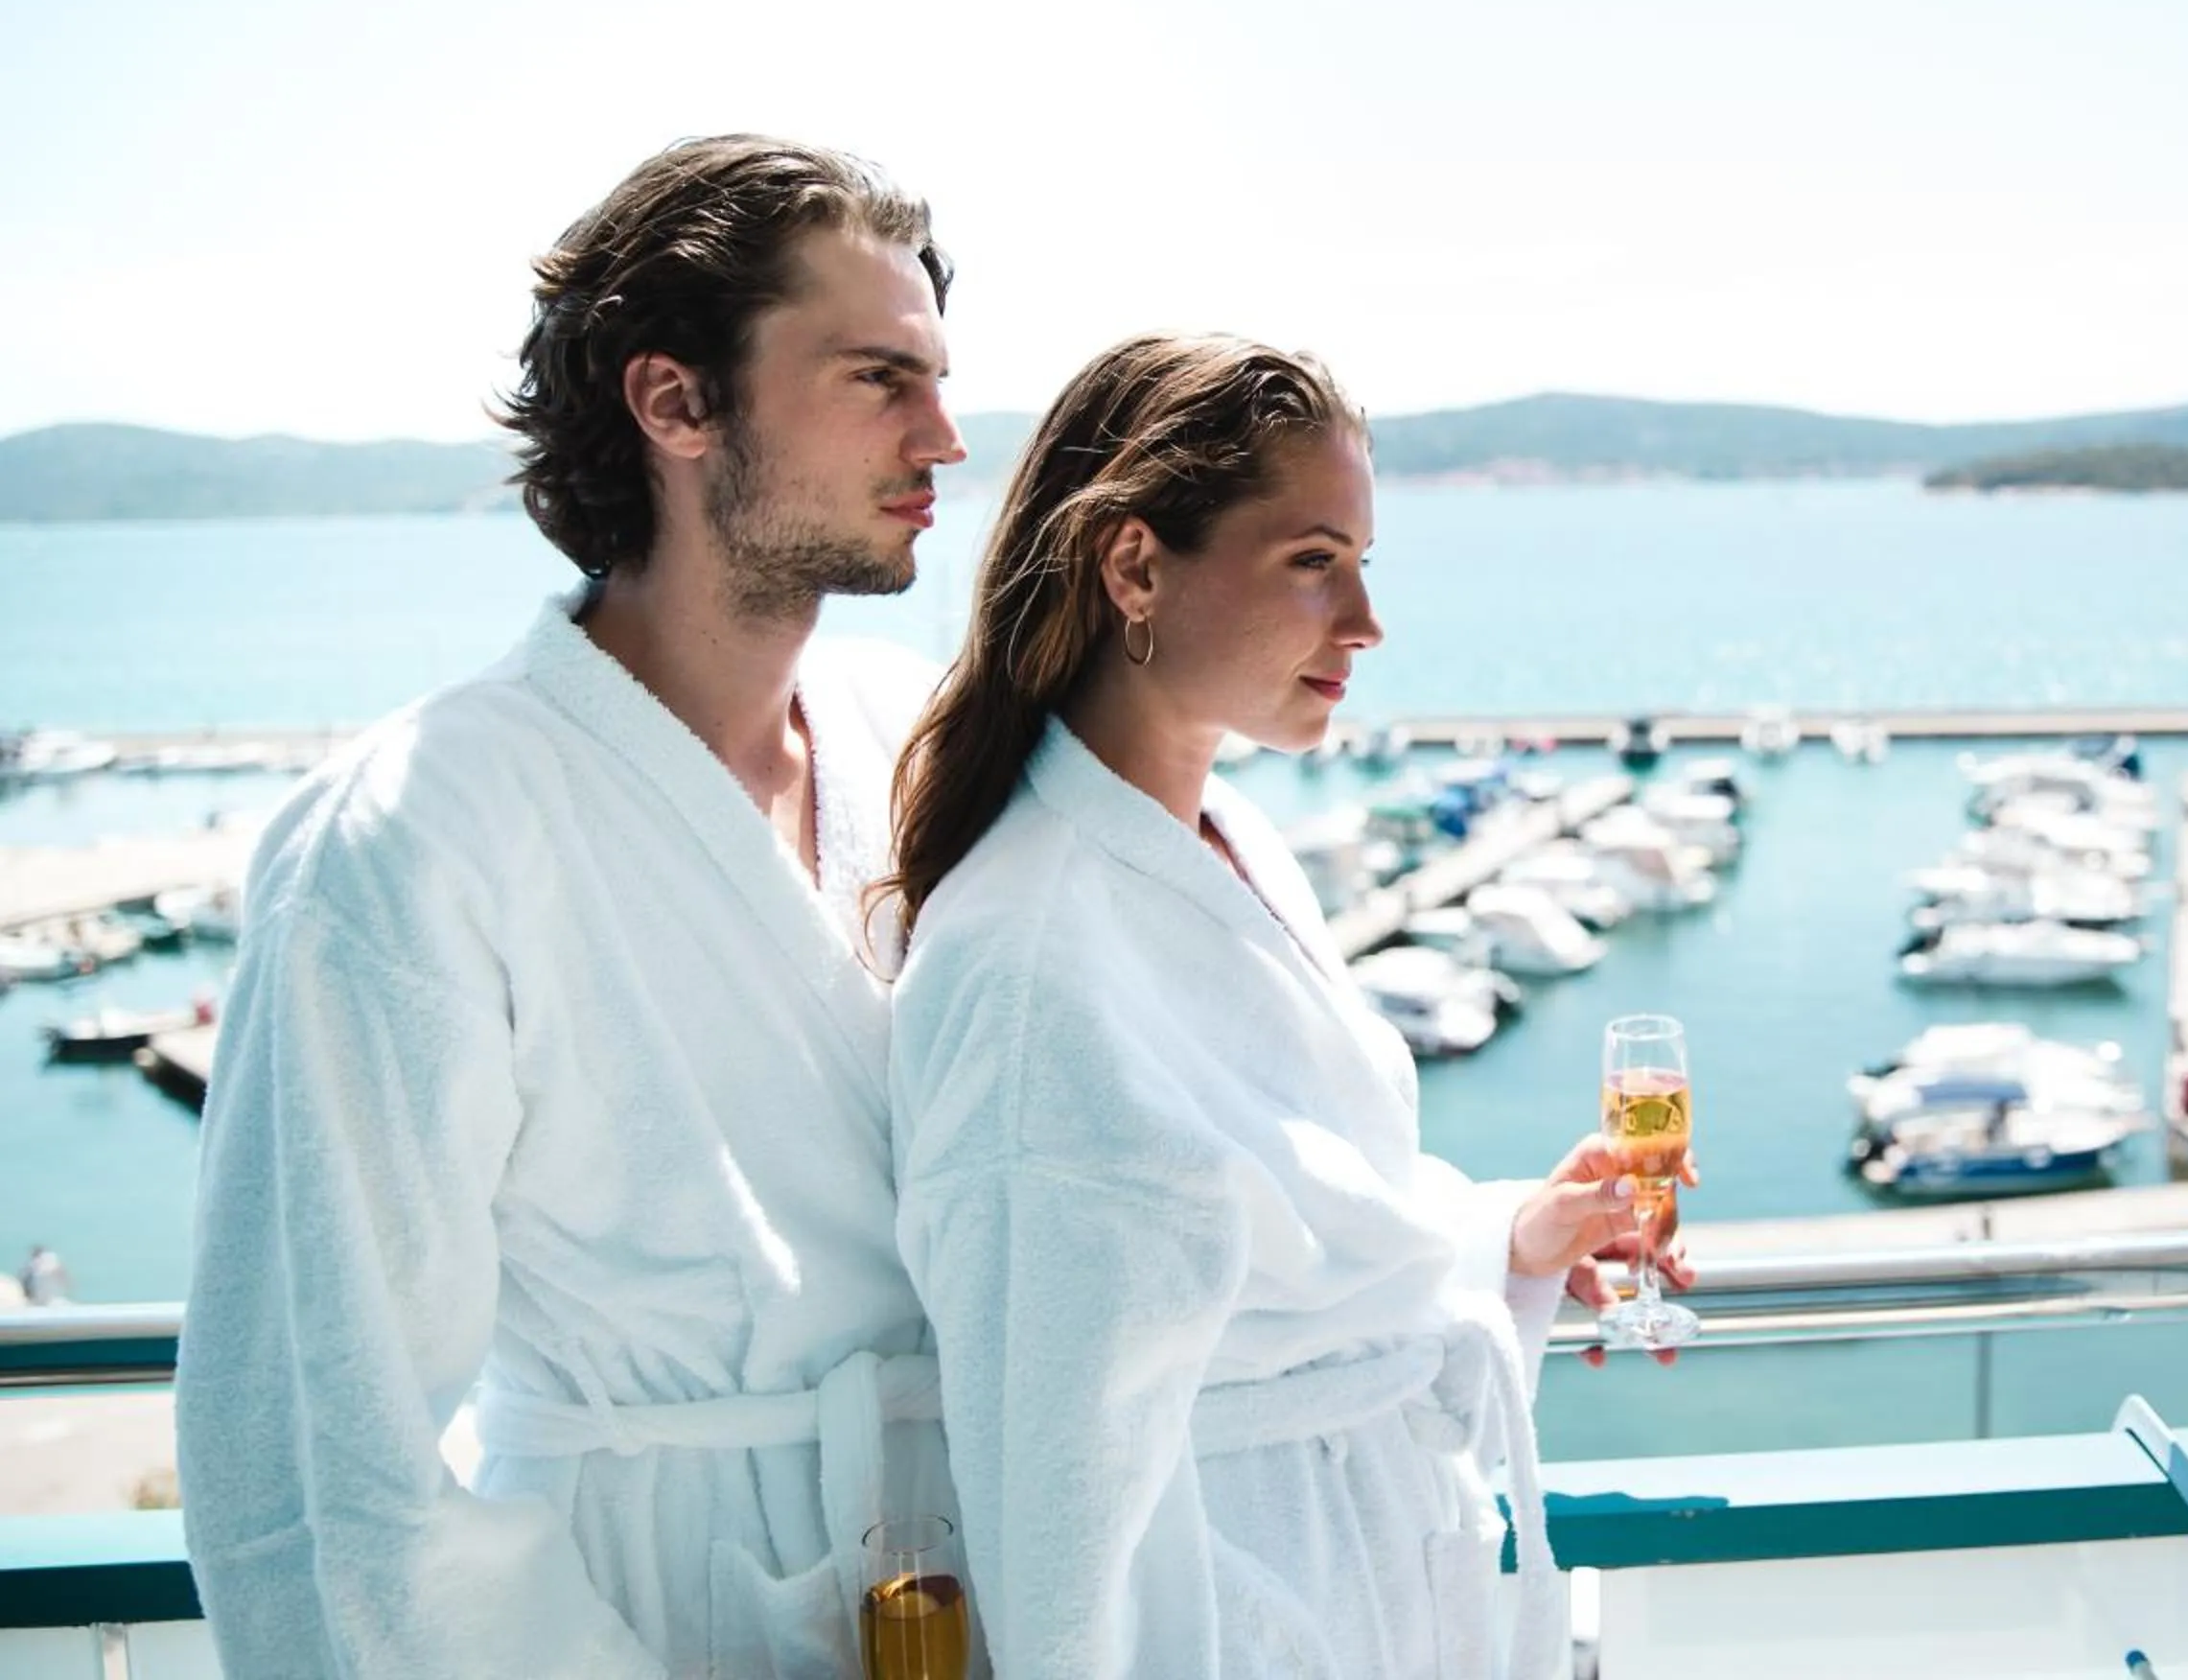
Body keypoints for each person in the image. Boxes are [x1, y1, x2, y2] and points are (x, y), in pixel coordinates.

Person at [175, 136, 967, 1680]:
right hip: (637, 1610)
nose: (945, 437)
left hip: (957, 1584)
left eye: (938, 379)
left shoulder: (922, 747)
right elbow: (320, 1466)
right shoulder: (411, 839)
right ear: (675, 403)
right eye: (881, 380)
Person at [884, 333, 1688, 1680]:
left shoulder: (1233, 842)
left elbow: (1293, 1246)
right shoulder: (1023, 963)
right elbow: (1050, 1515)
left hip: (1376, 1586)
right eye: (1314, 563)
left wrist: (1514, 1237)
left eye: (1363, 566)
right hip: (1241, 1626)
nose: (1365, 622)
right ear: (1133, 566)